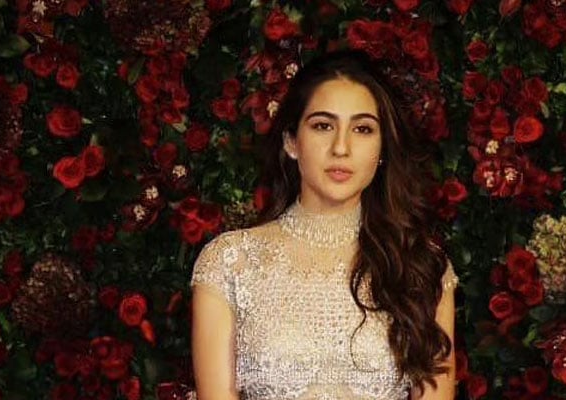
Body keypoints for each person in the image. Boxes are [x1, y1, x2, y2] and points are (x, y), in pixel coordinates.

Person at [190, 50, 459, 400]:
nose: (341, 147)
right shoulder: (230, 262)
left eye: (362, 129)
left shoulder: (421, 264)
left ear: (382, 150)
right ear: (291, 141)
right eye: (323, 126)